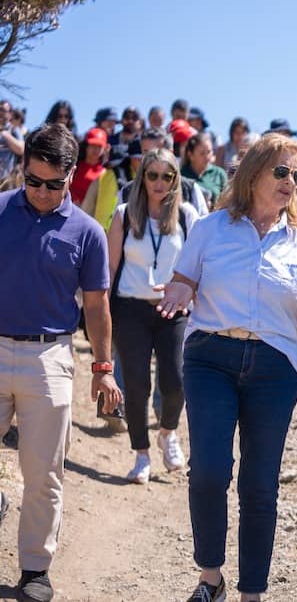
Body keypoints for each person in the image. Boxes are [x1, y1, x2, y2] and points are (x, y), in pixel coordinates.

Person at [157, 133, 297, 602]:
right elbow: (183, 279)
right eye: (282, 172)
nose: (290, 183)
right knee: (210, 471)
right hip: (210, 358)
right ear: (254, 172)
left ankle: (252, 592)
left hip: (274, 367)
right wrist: (179, 291)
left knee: (260, 484)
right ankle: (211, 578)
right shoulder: (210, 227)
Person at [0, 123, 122, 601]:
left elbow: (96, 307)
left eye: (54, 184)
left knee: (43, 471)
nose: (42, 193)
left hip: (49, 356)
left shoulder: (87, 233)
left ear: (72, 175)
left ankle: (34, 568)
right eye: (33, 181)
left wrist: (104, 368)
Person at [107, 149, 198, 484]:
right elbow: (110, 268)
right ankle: (141, 454)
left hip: (174, 309)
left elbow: (200, 266)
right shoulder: (124, 214)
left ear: (176, 179)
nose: (160, 183)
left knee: (174, 381)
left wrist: (190, 293)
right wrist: (101, 314)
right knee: (136, 384)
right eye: (153, 175)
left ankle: (167, 433)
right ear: (142, 177)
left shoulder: (187, 215)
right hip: (131, 308)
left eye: (168, 176)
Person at [181, 132, 228, 205]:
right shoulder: (181, 175)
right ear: (190, 155)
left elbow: (227, 201)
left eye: (209, 152)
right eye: (202, 153)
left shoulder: (219, 173)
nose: (207, 157)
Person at [70, 128, 109, 206]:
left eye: (99, 146)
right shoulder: (74, 166)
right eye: (93, 145)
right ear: (86, 146)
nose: (96, 149)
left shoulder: (105, 173)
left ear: (104, 149)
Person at [0, 99, 25, 181]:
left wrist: (4, 133)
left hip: (6, 180)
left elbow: (21, 149)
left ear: (10, 114)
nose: (1, 113)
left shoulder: (13, 129)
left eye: (4, 110)